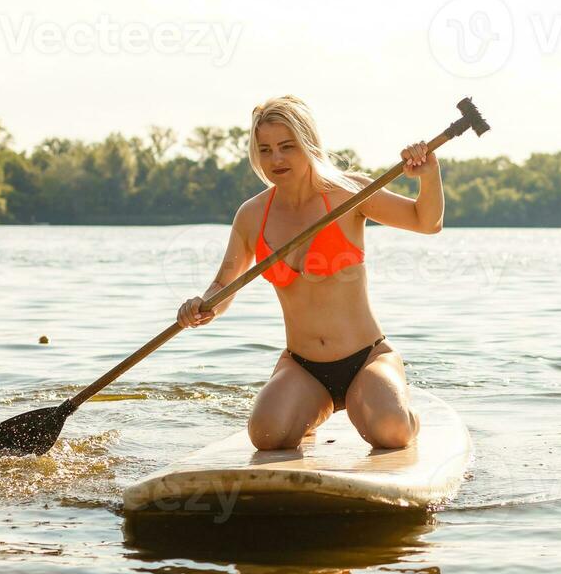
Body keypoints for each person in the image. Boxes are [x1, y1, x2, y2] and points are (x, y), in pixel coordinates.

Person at [176, 95, 442, 450]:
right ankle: (310, 413)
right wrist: (202, 305)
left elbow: (427, 222)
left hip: (366, 358)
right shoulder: (252, 215)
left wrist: (429, 174)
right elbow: (224, 284)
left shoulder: (349, 193)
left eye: (287, 146)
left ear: (309, 144)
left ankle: (401, 409)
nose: (277, 159)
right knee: (267, 437)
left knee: (390, 431)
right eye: (266, 149)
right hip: (303, 366)